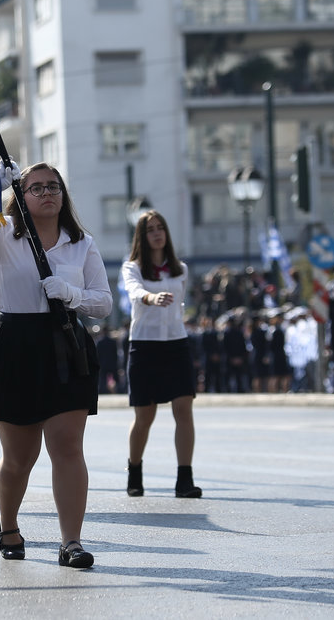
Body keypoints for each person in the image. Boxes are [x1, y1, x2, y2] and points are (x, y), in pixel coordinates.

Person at [0, 162, 111, 569]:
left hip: (64, 343)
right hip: (14, 343)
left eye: (54, 186)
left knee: (67, 445)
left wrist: (71, 293)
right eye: (36, 187)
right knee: (19, 456)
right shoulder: (1, 234)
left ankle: (71, 541)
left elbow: (103, 302)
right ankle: (8, 524)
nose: (47, 193)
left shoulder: (80, 243)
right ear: (20, 194)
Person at [121, 209, 202, 499]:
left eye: (160, 228)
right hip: (144, 345)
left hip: (176, 344)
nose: (157, 233)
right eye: (150, 229)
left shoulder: (179, 269)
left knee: (184, 409)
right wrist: (151, 297)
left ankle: (184, 478)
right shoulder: (132, 268)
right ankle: (134, 470)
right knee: (145, 416)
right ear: (142, 237)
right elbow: (133, 291)